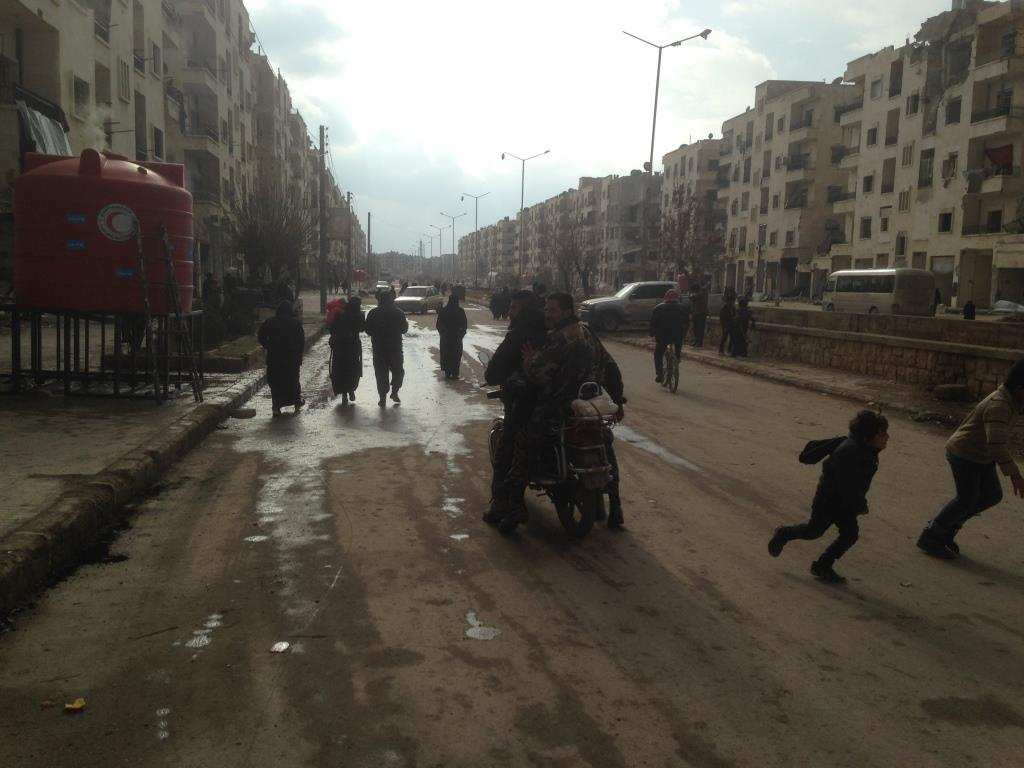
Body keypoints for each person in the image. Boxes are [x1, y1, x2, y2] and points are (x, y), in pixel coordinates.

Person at [502, 292, 623, 533]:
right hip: (589, 405)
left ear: (567, 312)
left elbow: (537, 373)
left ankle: (514, 508)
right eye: (546, 309)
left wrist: (528, 360)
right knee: (604, 445)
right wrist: (618, 401)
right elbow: (610, 366)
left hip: (557, 406)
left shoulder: (560, 337)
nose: (548, 314)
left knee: (524, 443)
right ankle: (615, 505)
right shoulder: (587, 332)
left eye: (552, 310)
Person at [917, 360, 1024, 559]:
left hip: (982, 456)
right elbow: (997, 445)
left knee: (991, 495)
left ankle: (947, 529)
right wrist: (1015, 475)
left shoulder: (1012, 401)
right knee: (967, 499)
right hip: (964, 454)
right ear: (1019, 388)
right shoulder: (1000, 405)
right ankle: (931, 536)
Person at [768, 410, 890, 583]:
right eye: (882, 434)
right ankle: (784, 533)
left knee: (850, 535)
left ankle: (823, 565)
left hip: (845, 502)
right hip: (829, 501)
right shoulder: (848, 453)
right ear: (868, 437)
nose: (887, 437)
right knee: (813, 532)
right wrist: (859, 504)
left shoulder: (866, 449)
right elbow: (846, 485)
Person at [483, 290, 547, 525]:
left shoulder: (519, 334)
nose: (509, 312)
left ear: (524, 310)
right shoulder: (554, 332)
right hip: (556, 406)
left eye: (513, 308)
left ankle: (503, 506)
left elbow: (493, 372)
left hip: (524, 405)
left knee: (506, 452)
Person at [257, 301, 306, 417]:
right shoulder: (295, 323)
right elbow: (301, 342)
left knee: (275, 382)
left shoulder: (270, 322)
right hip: (291, 359)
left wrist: (268, 346)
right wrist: (299, 356)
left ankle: (276, 407)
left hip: (275, 358)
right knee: (293, 381)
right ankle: (296, 402)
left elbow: (261, 336)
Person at [364, 289, 409, 407]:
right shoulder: (398, 312)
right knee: (398, 371)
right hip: (395, 348)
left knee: (381, 373)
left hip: (379, 348)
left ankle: (382, 398)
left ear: (379, 300)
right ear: (391, 299)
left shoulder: (373, 313)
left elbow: (368, 330)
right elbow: (404, 329)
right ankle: (394, 392)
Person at [329, 296, 365, 405]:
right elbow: (362, 328)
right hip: (353, 348)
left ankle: (344, 393)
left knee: (341, 370)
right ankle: (351, 389)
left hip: (340, 348)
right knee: (353, 369)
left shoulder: (340, 314)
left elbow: (332, 329)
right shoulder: (359, 315)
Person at [649, 289, 690, 384]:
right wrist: (684, 334)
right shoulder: (683, 308)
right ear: (677, 298)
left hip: (663, 336)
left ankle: (660, 373)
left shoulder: (658, 308)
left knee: (658, 354)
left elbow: (653, 324)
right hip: (677, 335)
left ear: (665, 298)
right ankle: (677, 359)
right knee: (678, 348)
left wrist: (652, 334)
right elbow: (686, 322)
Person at [436, 290, 468, 379]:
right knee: (456, 355)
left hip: (446, 338)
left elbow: (438, 324)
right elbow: (464, 325)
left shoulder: (444, 310)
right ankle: (455, 373)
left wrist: (443, 333)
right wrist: (461, 334)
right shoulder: (460, 311)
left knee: (446, 355)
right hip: (456, 338)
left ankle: (447, 372)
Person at [690, 283, 709, 347]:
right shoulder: (698, 293)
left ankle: (699, 342)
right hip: (695, 313)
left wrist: (692, 295)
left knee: (700, 328)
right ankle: (696, 341)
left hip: (701, 313)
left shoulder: (702, 293)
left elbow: (692, 297)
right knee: (695, 328)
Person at [719, 289, 736, 355]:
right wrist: (724, 326)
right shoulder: (724, 308)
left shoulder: (733, 308)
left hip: (732, 324)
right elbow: (722, 318)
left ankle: (730, 350)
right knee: (724, 337)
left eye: (732, 301)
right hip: (726, 325)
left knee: (732, 338)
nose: (731, 303)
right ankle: (721, 350)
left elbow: (734, 315)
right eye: (730, 301)